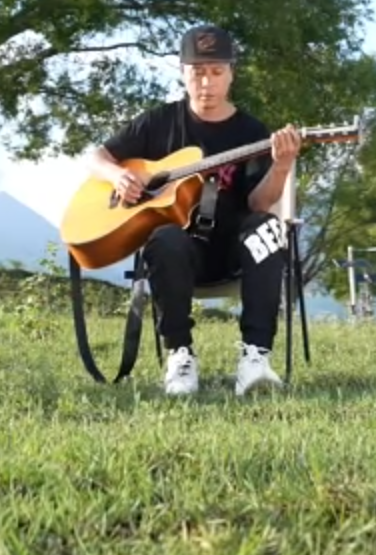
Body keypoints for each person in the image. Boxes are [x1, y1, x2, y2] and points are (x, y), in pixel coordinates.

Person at [84, 24, 301, 399]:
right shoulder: (159, 122)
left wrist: (281, 166)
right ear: (183, 72)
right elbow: (96, 157)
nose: (207, 83)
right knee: (164, 237)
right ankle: (180, 356)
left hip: (233, 251)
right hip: (179, 254)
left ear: (231, 74)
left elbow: (258, 204)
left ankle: (255, 358)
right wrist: (118, 176)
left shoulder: (252, 131)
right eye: (198, 72)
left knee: (267, 227)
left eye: (216, 72)